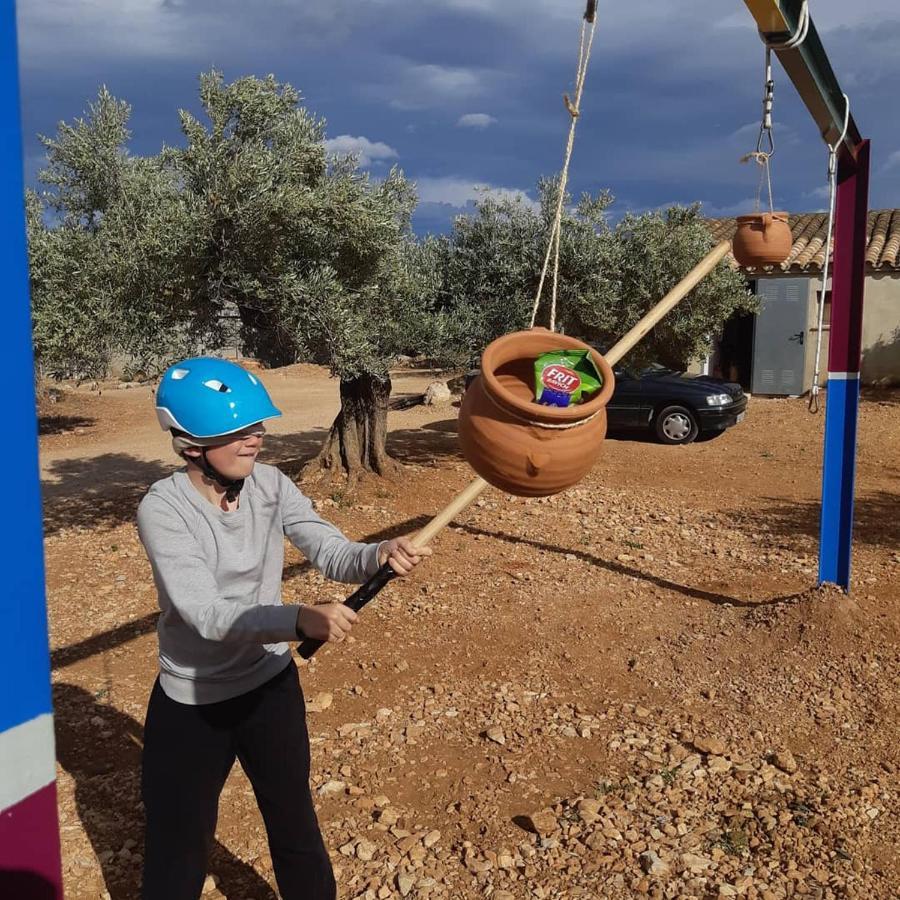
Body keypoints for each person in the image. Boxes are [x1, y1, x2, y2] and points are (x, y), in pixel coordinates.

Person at [136, 357, 430, 900]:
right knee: (177, 848)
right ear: (190, 445)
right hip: (192, 703)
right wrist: (297, 618)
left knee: (294, 823)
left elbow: (332, 551)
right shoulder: (163, 509)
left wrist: (378, 553)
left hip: (269, 688)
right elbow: (207, 614)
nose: (256, 439)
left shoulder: (271, 485)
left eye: (257, 427)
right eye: (237, 431)